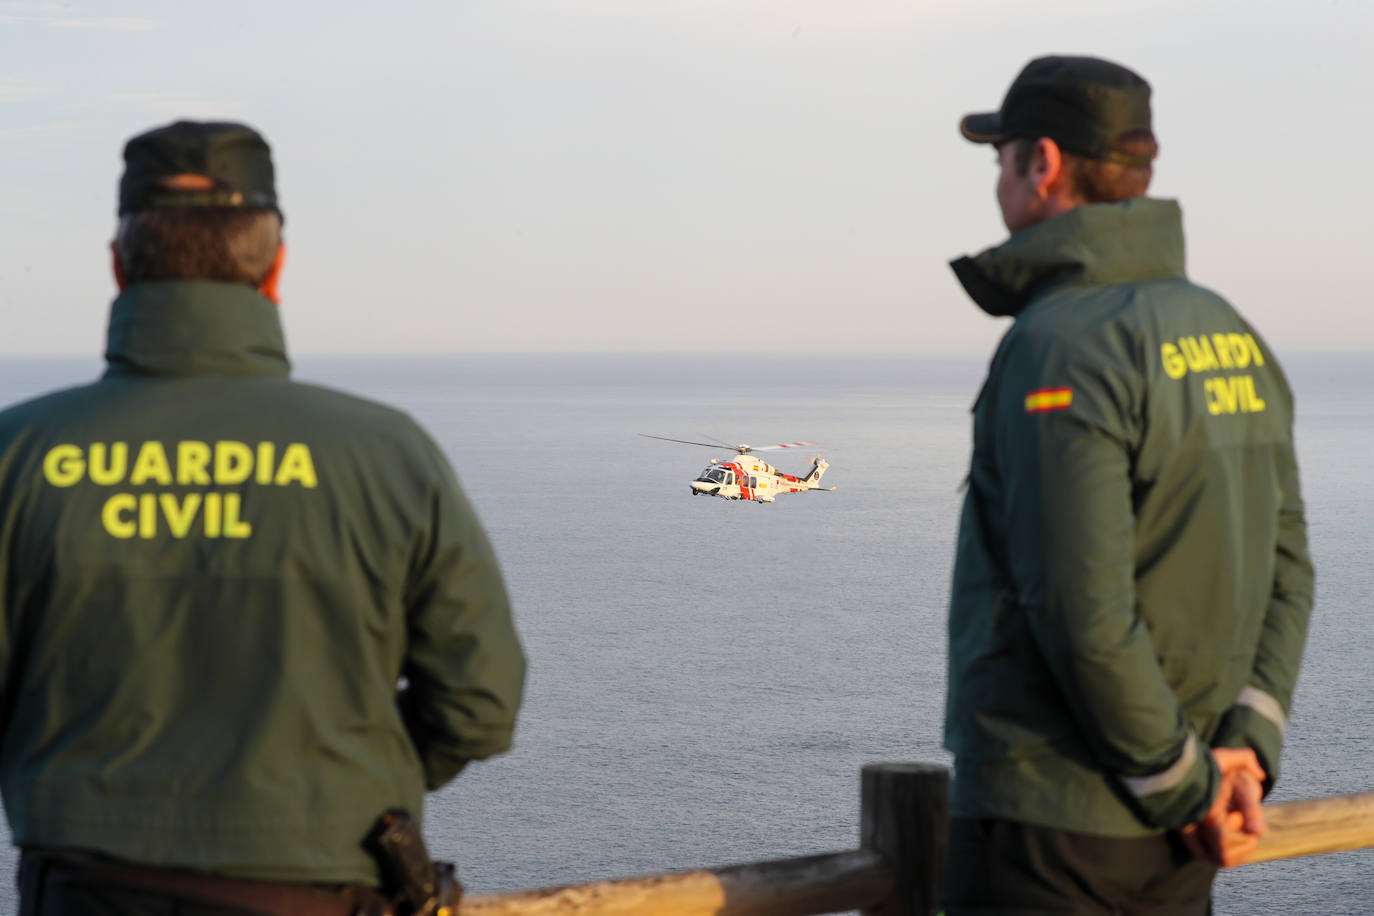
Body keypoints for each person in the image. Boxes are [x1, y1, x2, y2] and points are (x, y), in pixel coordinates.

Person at [0, 121, 526, 914]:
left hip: (86, 888)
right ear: (276, 266)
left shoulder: (19, 455)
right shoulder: (388, 454)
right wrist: (334, 787)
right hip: (320, 888)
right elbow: (480, 705)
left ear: (118, 266)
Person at [943, 56, 1314, 914]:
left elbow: (1081, 611)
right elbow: (1288, 570)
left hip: (1051, 832)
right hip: (1178, 845)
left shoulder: (1058, 348)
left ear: (1042, 161)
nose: (997, 183)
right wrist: (1242, 754)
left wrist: (1181, 785)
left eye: (999, 158)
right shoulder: (1232, 336)